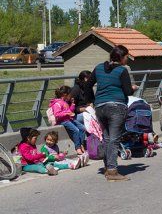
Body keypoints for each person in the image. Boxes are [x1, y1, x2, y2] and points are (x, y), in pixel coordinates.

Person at [91, 44, 137, 181]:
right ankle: (112, 171)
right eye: (126, 56)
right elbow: (128, 92)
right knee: (114, 139)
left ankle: (107, 167)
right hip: (116, 107)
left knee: (106, 138)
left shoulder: (99, 67)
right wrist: (133, 88)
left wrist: (93, 101)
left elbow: (88, 85)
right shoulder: (122, 70)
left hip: (100, 107)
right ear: (122, 57)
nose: (127, 59)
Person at [17, 128, 81, 175]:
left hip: (35, 162)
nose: (36, 140)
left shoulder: (33, 145)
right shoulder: (23, 146)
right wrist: (41, 155)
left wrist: (41, 158)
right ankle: (48, 171)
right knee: (38, 167)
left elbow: (35, 156)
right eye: (35, 138)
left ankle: (68, 166)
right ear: (28, 138)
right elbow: (29, 158)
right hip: (26, 165)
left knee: (50, 163)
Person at [49, 85, 88, 155]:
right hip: (63, 121)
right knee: (76, 130)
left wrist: (72, 104)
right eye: (70, 95)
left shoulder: (65, 102)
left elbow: (69, 111)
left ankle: (81, 144)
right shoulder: (57, 103)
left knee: (82, 128)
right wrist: (67, 113)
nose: (71, 96)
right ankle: (78, 148)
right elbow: (57, 114)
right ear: (65, 95)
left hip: (68, 119)